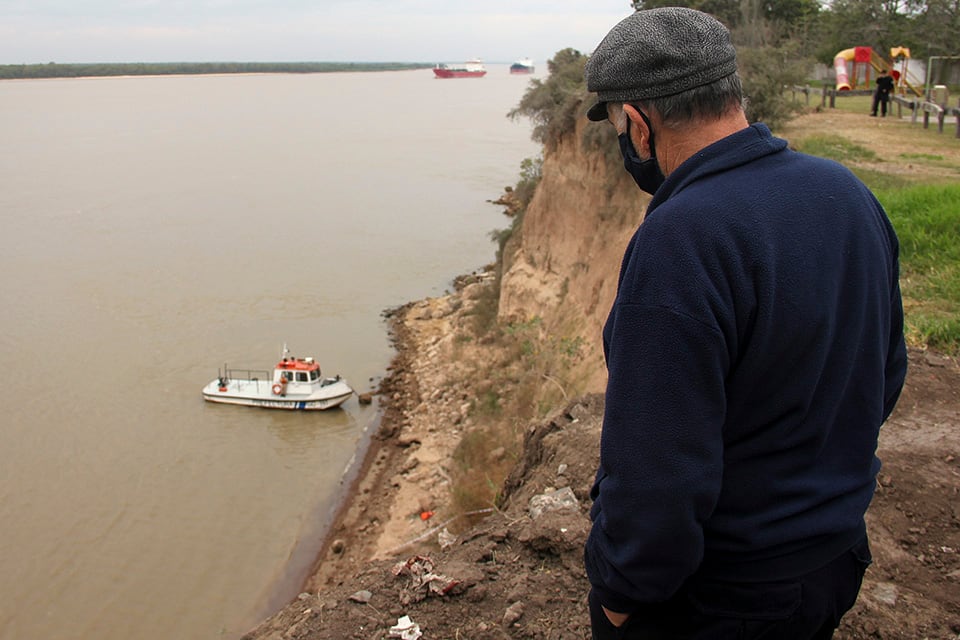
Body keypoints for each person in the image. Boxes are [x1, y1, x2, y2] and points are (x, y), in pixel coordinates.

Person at [582, 8, 907, 639]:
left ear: (641, 126)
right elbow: (883, 376)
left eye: (620, 124)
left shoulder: (681, 237)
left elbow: (657, 469)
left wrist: (622, 595)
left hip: (726, 595)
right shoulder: (846, 193)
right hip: (833, 560)